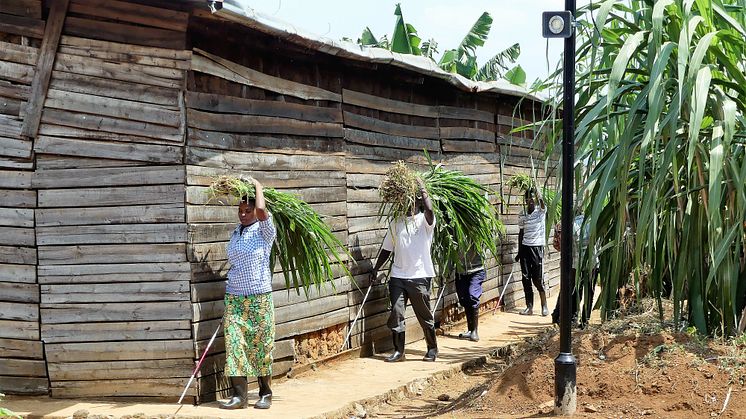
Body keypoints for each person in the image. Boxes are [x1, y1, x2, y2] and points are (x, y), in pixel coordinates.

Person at [220, 179, 277, 410]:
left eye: (248, 210)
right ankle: (239, 397)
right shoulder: (236, 233)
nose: (243, 215)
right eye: (240, 211)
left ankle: (265, 393)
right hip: (234, 298)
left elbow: (263, 211)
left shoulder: (265, 231)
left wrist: (258, 186)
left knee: (261, 345)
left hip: (259, 297)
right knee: (234, 344)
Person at [371, 177, 438, 362]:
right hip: (398, 276)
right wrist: (376, 269)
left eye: (411, 199)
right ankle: (399, 351)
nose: (407, 204)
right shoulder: (396, 223)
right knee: (396, 312)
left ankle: (432, 349)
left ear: (416, 201)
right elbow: (386, 249)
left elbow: (430, 210)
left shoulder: (424, 221)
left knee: (423, 314)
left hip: (419, 276)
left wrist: (423, 188)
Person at [551, 213, 597, 328]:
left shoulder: (563, 224)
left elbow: (558, 246)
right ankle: (585, 321)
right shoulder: (594, 218)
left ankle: (568, 318)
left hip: (573, 264)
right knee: (589, 292)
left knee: (572, 291)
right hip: (592, 262)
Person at [516, 187, 548, 316]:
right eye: (528, 198)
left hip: (537, 247)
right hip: (525, 248)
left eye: (532, 198)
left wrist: (538, 193)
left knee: (537, 279)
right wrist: (519, 251)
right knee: (525, 278)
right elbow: (521, 232)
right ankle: (529, 307)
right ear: (525, 200)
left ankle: (544, 305)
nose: (530, 201)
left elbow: (543, 204)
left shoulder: (540, 212)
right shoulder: (522, 214)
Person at [455, 246, 486, 342]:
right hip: (460, 270)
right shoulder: (453, 231)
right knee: (464, 299)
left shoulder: (477, 232)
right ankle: (470, 330)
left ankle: (474, 331)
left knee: (472, 296)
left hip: (477, 269)